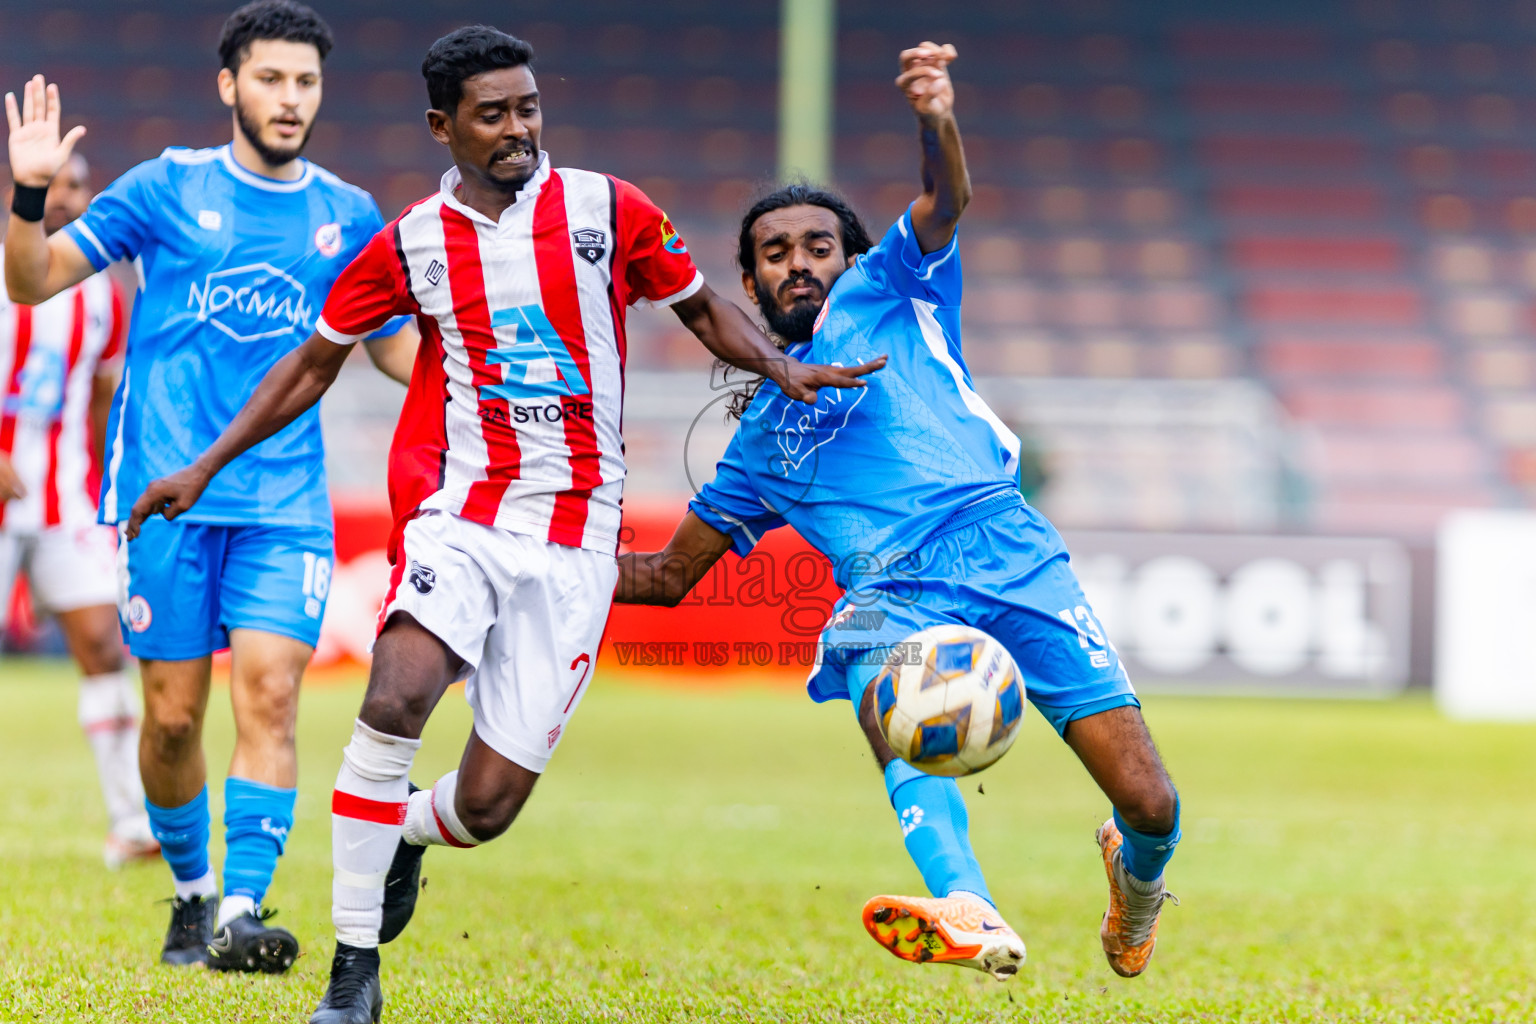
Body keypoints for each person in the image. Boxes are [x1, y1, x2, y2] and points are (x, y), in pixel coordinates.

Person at [124, 25, 882, 1023]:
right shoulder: (408, 243)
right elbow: (315, 362)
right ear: (444, 125)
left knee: (485, 807)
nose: (521, 128)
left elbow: (700, 309)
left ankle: (404, 835)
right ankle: (353, 976)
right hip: (463, 518)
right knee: (391, 698)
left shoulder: (612, 210)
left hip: (573, 545)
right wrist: (204, 464)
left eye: (529, 107)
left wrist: (775, 365)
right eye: (495, 113)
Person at [614, 43, 1182, 982]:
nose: (799, 264)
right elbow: (669, 578)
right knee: (879, 666)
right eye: (774, 254)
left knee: (1153, 803)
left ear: (853, 257)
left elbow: (946, 198)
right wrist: (539, 555)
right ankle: (967, 901)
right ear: (749, 286)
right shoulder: (757, 442)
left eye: (817, 246)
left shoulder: (894, 287)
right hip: (892, 593)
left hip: (1009, 550)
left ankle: (1138, 879)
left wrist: (937, 116)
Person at [4, 0, 418, 972]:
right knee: (175, 716)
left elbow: (395, 352)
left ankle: (241, 906)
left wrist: (482, 344)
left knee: (271, 697)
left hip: (283, 502)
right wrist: (28, 198)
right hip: (163, 500)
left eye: (306, 81)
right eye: (271, 79)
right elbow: (31, 282)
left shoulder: (347, 215)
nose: (290, 98)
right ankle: (191, 894)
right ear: (230, 85)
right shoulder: (165, 188)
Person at [0, 151, 160, 870]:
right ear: (24, 192)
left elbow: (101, 398)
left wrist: (108, 487)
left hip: (64, 500)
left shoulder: (102, 293)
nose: (69, 197)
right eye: (56, 186)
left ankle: (132, 823)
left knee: (101, 645)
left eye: (80, 187)